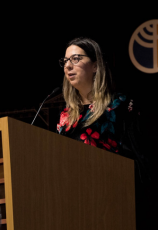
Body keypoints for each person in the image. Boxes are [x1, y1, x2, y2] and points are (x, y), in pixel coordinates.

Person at [56, 37, 148, 179]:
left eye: (75, 59)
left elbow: (137, 160)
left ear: (95, 66)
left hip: (110, 189)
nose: (68, 66)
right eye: (65, 61)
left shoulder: (120, 105)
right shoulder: (66, 115)